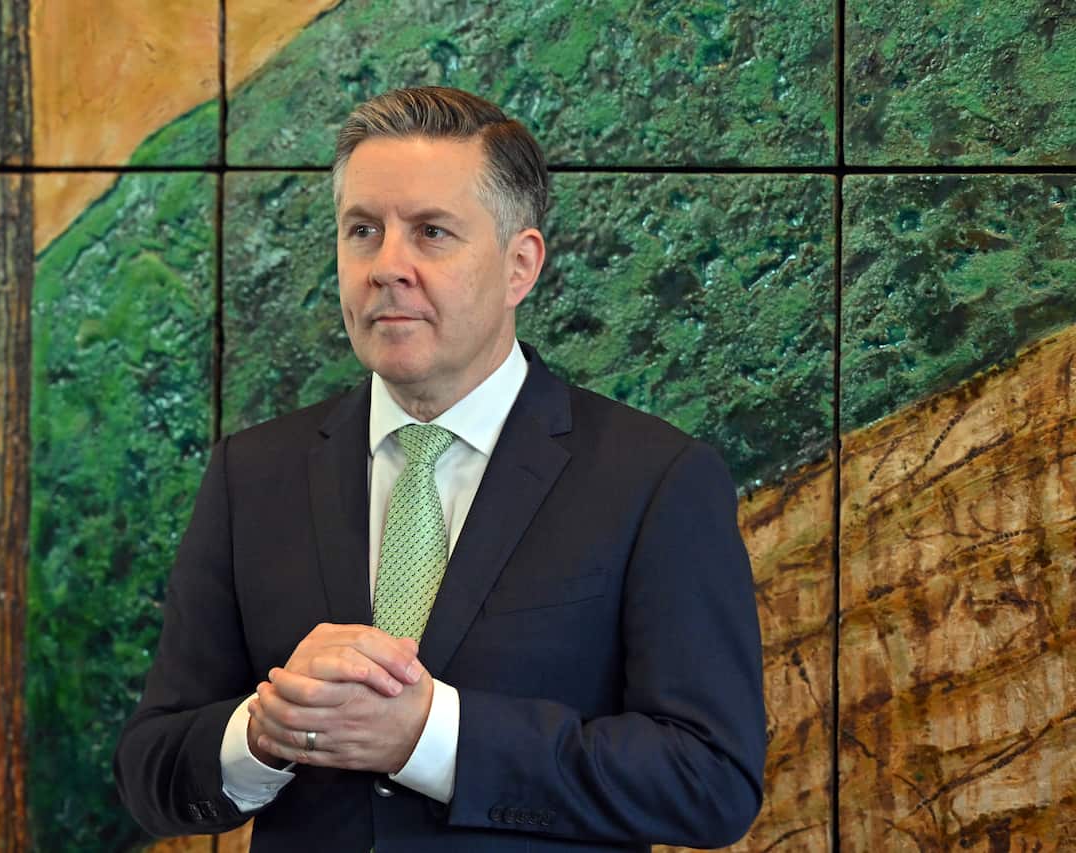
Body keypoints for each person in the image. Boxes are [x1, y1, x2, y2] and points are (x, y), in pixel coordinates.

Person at [114, 86, 766, 852]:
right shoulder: (251, 474)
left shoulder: (657, 478)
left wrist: (430, 737)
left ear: (519, 265)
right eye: (363, 230)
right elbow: (149, 770)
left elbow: (710, 780)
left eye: (430, 233)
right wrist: (260, 735)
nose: (387, 266)